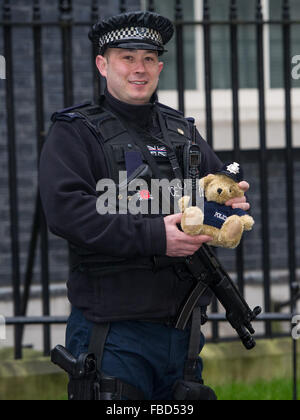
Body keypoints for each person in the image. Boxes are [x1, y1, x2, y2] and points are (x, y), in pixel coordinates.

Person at [39, 11, 250, 400]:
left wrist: (225, 212)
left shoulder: (181, 132)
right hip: (115, 332)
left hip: (182, 332)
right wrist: (157, 236)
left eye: (149, 59)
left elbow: (226, 206)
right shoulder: (75, 132)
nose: (140, 69)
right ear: (103, 64)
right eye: (128, 58)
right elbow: (67, 212)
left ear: (160, 66)